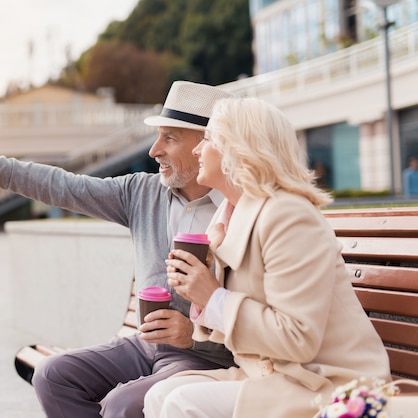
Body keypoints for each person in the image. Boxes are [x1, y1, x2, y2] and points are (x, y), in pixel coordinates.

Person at [0, 81, 237, 418]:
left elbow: (264, 315)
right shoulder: (142, 192)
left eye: (169, 138)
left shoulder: (240, 207)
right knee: (52, 375)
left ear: (206, 143)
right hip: (144, 344)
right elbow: (62, 186)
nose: (154, 151)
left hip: (203, 355)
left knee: (122, 405)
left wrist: (194, 337)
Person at [144, 97, 391, 418]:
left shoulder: (289, 216)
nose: (197, 149)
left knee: (181, 404)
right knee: (159, 395)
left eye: (208, 139)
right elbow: (236, 325)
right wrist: (200, 295)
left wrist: (213, 295)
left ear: (239, 148)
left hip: (327, 380)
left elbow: (297, 338)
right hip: (270, 374)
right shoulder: (229, 215)